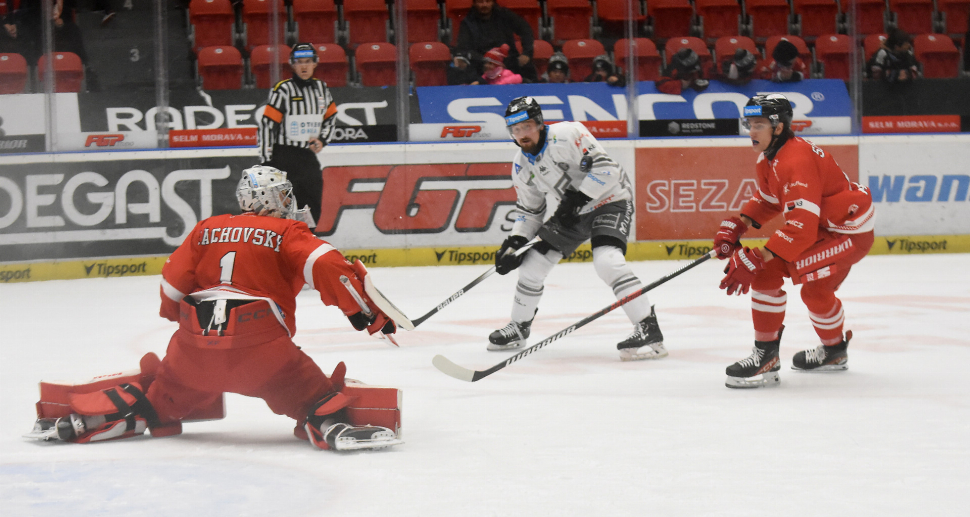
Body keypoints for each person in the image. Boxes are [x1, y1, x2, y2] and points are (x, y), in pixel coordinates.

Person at [26, 165, 404, 451]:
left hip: (193, 356)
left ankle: (87, 420)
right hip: (265, 360)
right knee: (315, 400)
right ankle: (331, 425)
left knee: (158, 401)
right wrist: (365, 314)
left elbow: (171, 284)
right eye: (284, 196)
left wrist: (185, 324)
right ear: (270, 200)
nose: (290, 203)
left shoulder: (206, 228)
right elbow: (328, 266)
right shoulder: (288, 232)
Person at [715, 94, 875, 389]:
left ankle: (766, 356)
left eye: (759, 124)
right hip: (829, 228)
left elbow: (800, 229)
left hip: (846, 234)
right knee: (815, 294)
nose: (751, 131)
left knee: (766, 270)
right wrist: (738, 224)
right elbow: (767, 200)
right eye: (749, 124)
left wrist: (757, 257)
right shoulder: (769, 157)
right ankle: (834, 351)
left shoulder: (796, 160)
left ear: (778, 128)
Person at [489, 97, 667, 361]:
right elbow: (530, 211)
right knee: (531, 266)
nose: (521, 135)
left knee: (607, 262)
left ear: (538, 123)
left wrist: (577, 199)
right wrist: (516, 241)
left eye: (526, 126)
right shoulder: (521, 165)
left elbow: (607, 170)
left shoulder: (568, 133)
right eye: (515, 130)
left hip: (610, 199)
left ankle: (648, 327)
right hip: (572, 211)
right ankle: (519, 327)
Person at [259, 43, 337, 227]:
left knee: (311, 204)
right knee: (281, 208)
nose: (304, 66)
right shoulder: (283, 89)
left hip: (307, 156)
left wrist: (322, 139)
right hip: (282, 156)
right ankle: (281, 248)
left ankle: (306, 242)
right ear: (292, 65)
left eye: (308, 62)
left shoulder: (321, 88)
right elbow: (267, 125)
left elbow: (331, 117)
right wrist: (266, 162)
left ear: (315, 63)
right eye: (299, 62)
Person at [454, 0, 538, 83]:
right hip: (482, 63)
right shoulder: (468, 22)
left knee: (528, 66)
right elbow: (464, 48)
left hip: (509, 61)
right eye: (480, 2)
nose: (484, 5)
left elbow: (526, 30)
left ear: (493, 2)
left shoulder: (505, 15)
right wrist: (487, 60)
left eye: (488, 1)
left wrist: (527, 53)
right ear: (474, 3)